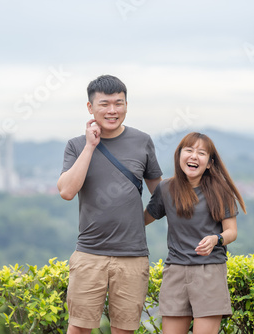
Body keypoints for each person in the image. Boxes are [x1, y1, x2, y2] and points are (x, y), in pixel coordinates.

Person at [57, 74, 163, 334]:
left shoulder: (142, 141)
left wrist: (142, 219)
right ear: (90, 107)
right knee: (79, 328)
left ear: (127, 105)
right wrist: (91, 147)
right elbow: (67, 191)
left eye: (119, 103)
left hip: (133, 256)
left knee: (125, 330)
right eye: (104, 104)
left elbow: (160, 194)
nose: (113, 110)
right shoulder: (76, 145)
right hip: (89, 253)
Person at [144, 132, 246, 334]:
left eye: (201, 153)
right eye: (188, 150)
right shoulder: (166, 189)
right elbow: (143, 219)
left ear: (209, 163)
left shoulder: (220, 190)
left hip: (209, 271)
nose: (193, 156)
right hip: (175, 271)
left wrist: (216, 239)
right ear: (179, 155)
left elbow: (231, 232)